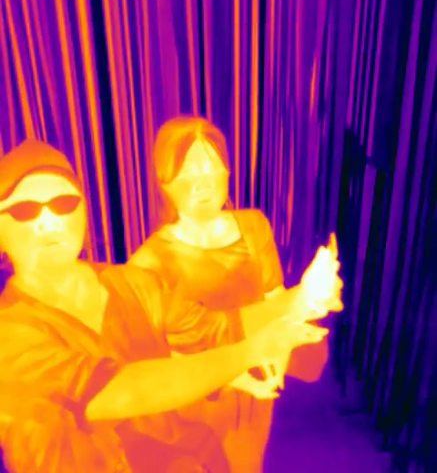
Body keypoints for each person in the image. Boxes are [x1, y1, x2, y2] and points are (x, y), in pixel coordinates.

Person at [0, 138, 316, 473]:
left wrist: (300, 298)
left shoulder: (133, 282)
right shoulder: (9, 332)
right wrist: (246, 353)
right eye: (24, 210)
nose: (48, 222)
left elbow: (210, 329)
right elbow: (121, 391)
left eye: (63, 203)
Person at [129, 115, 343, 473]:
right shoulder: (149, 263)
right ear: (164, 182)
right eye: (188, 172)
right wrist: (237, 373)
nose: (203, 183)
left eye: (212, 168)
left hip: (257, 391)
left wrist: (311, 304)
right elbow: (160, 357)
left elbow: (275, 300)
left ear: (227, 171)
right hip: (196, 401)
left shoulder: (253, 226)